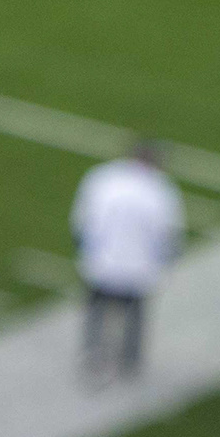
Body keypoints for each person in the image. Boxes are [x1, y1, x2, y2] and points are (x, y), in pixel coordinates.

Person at [71, 140, 183, 384]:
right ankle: (129, 361)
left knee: (96, 311)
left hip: (101, 263)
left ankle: (93, 354)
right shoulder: (161, 191)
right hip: (138, 270)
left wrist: (87, 253)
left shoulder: (102, 178)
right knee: (134, 316)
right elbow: (167, 237)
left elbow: (82, 222)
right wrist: (164, 266)